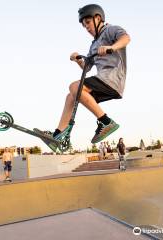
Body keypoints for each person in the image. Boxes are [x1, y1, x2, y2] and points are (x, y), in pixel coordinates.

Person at [35, 4, 130, 151]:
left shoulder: (111, 30)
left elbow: (126, 38)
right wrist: (78, 60)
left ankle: (106, 122)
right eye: (84, 25)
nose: (86, 27)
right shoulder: (94, 45)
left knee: (74, 86)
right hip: (102, 80)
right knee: (71, 96)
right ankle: (57, 135)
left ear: (98, 18)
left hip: (112, 79)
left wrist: (112, 47)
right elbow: (87, 67)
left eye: (88, 23)